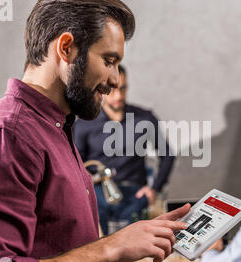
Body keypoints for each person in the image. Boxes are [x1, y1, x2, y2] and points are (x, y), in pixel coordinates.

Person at [0, 0, 190, 262]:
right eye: (108, 61)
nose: (114, 80)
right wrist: (109, 248)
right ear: (67, 48)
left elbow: (56, 250)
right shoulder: (7, 137)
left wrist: (132, 239)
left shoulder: (55, 128)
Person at [73, 65, 175, 235]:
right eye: (112, 90)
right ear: (102, 88)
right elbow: (74, 164)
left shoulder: (145, 118)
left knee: (136, 237)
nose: (119, 96)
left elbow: (168, 155)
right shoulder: (84, 124)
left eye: (123, 88)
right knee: (96, 229)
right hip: (99, 192)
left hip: (135, 192)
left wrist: (154, 189)